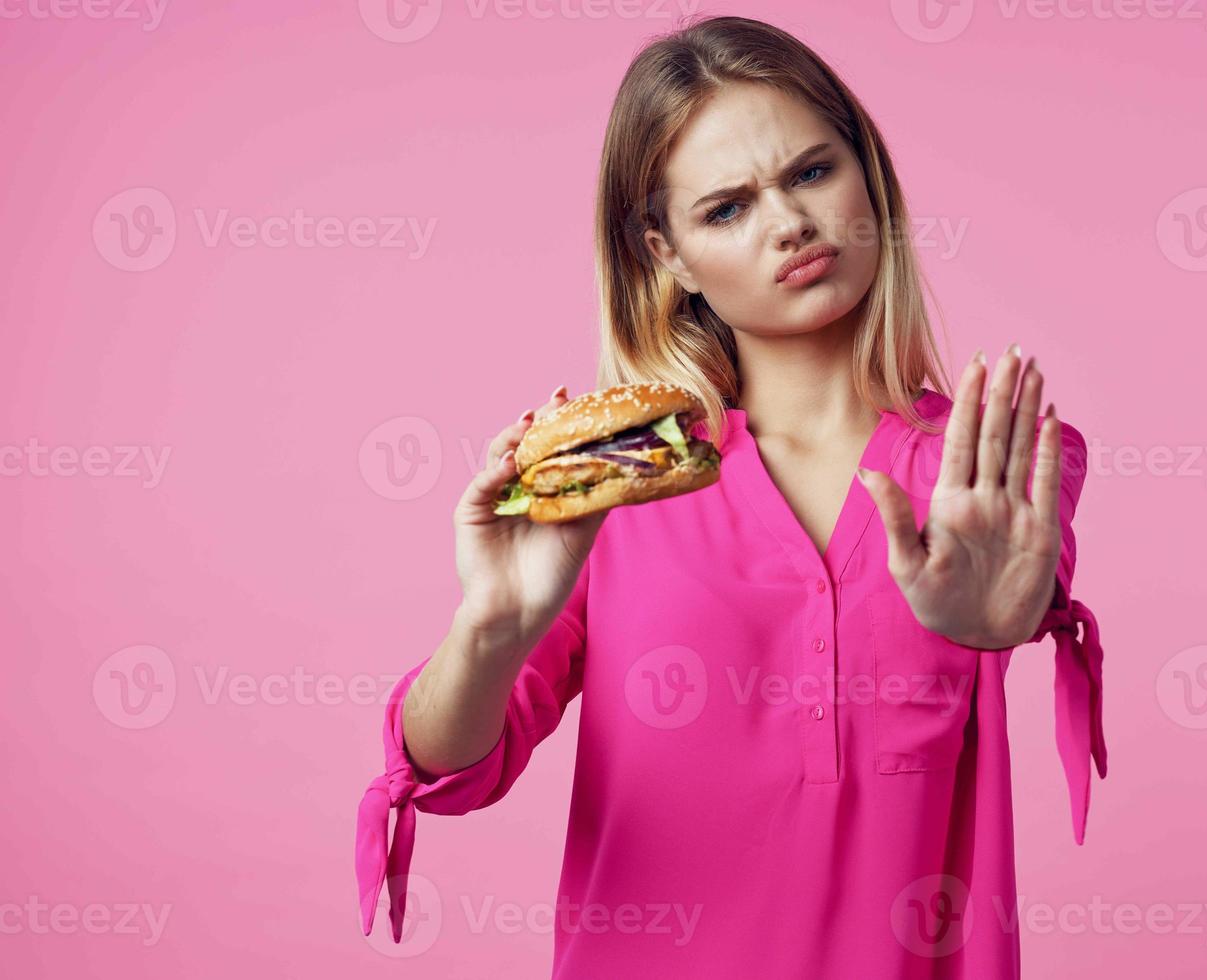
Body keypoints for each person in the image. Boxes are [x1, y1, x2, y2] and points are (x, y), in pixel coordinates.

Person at [356, 15, 1107, 977]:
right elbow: (452, 768)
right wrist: (492, 625)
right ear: (666, 255)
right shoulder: (616, 485)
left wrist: (997, 619)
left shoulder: (986, 465)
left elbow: (1020, 587)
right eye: (726, 209)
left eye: (809, 173)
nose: (789, 224)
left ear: (866, 174)